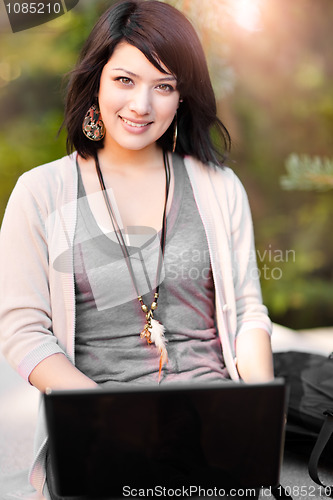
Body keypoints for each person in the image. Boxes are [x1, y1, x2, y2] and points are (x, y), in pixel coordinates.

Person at [0, 0, 274, 498]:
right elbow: (23, 333)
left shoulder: (218, 188)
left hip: (210, 421)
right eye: (125, 80)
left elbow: (250, 311)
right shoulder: (43, 193)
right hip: (102, 426)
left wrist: (255, 410)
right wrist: (110, 418)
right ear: (96, 81)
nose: (142, 105)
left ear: (182, 97)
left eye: (164, 86)